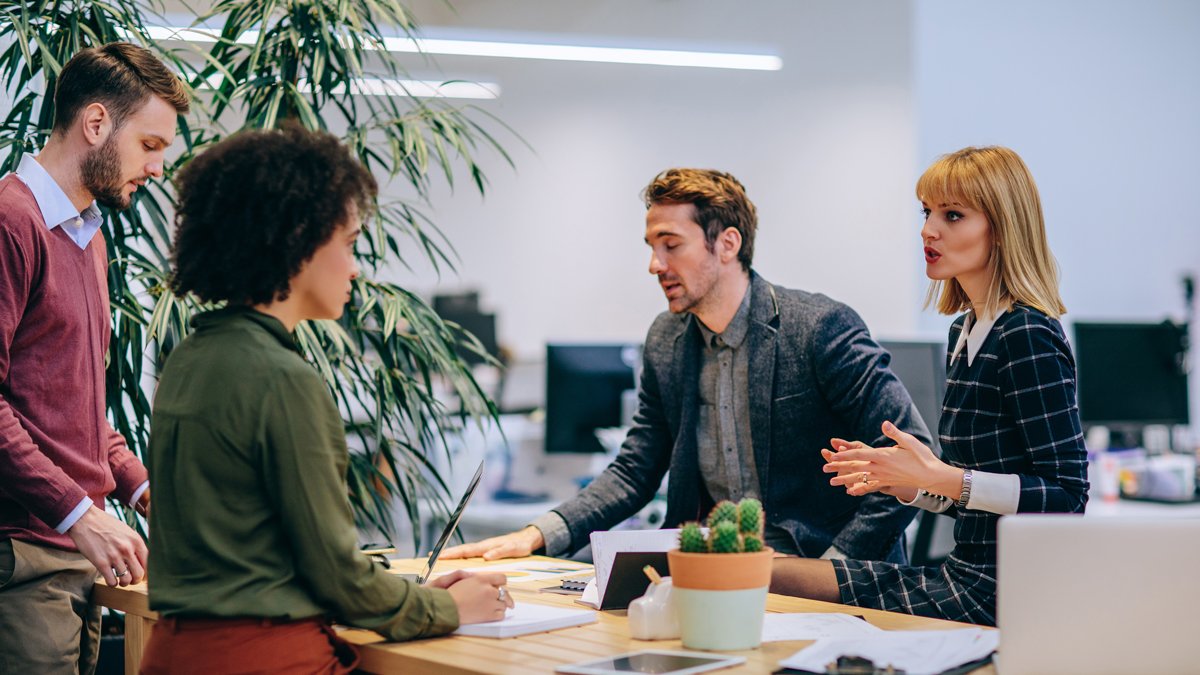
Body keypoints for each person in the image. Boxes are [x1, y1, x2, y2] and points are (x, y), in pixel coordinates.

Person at [137, 126, 514, 673]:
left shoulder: (190, 358)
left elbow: (264, 554)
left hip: (176, 652)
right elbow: (336, 575)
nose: (356, 266)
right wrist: (446, 606)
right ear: (299, 237)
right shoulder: (281, 376)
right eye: (350, 241)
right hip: (267, 660)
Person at [444, 168, 926, 564]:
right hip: (709, 567)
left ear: (727, 244)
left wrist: (834, 568)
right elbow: (635, 470)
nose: (655, 264)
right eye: (652, 246)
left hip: (817, 566)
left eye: (671, 245)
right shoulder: (667, 339)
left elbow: (912, 455)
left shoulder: (818, 327)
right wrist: (535, 534)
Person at [771, 146, 1089, 626]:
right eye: (927, 212)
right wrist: (912, 485)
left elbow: (1067, 498)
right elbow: (975, 504)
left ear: (1001, 228)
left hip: (1006, 591)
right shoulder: (964, 332)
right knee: (773, 576)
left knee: (776, 581)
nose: (928, 230)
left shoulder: (1027, 334)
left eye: (952, 215)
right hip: (963, 577)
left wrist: (940, 477)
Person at [0, 42, 189, 673]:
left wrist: (143, 491)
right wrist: (80, 512)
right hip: (26, 558)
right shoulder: (10, 221)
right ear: (98, 123)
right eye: (151, 146)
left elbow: (72, 406)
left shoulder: (87, 236)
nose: (158, 168)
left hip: (81, 556)